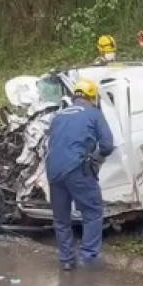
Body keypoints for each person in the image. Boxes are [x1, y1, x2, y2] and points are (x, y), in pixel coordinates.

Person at [45, 78, 114, 271]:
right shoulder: (94, 114)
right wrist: (95, 160)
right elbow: (108, 144)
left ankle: (66, 259)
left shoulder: (58, 117)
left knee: (61, 219)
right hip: (77, 169)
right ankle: (88, 257)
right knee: (92, 212)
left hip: (53, 171)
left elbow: (50, 144)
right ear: (92, 97)